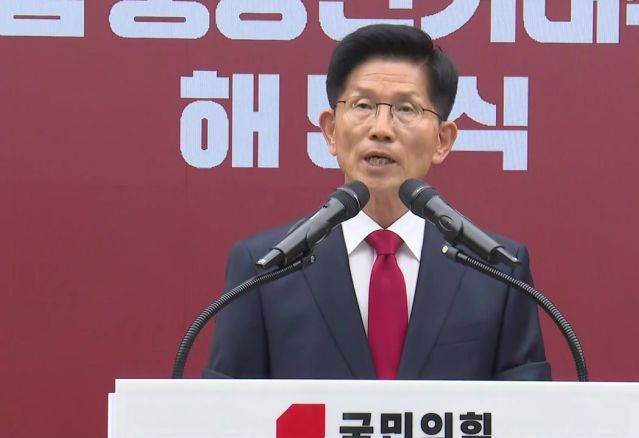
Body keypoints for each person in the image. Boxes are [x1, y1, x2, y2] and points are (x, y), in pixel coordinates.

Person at [204, 24, 551, 380]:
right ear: (330, 131)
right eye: (363, 106)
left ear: (442, 140)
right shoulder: (267, 268)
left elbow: (528, 408)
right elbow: (222, 408)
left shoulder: (496, 271)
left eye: (406, 109)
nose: (381, 129)